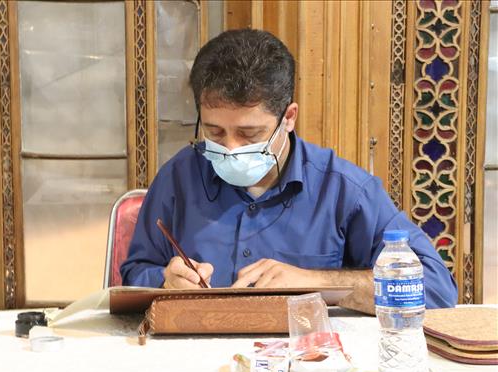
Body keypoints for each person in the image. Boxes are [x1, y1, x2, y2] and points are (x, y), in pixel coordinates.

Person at [119, 29, 457, 314]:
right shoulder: (179, 177)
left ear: (289, 117)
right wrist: (166, 281)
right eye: (215, 132)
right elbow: (134, 274)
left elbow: (436, 289)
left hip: (307, 361)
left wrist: (316, 282)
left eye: (250, 134)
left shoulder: (344, 191)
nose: (231, 148)